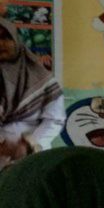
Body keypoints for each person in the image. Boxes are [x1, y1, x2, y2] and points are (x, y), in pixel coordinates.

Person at [0, 17, 65, 168]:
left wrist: (29, 144)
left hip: (34, 152)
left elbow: (55, 119)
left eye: (6, 37)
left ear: (16, 40)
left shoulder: (43, 78)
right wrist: (4, 146)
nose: (1, 43)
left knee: (29, 189)